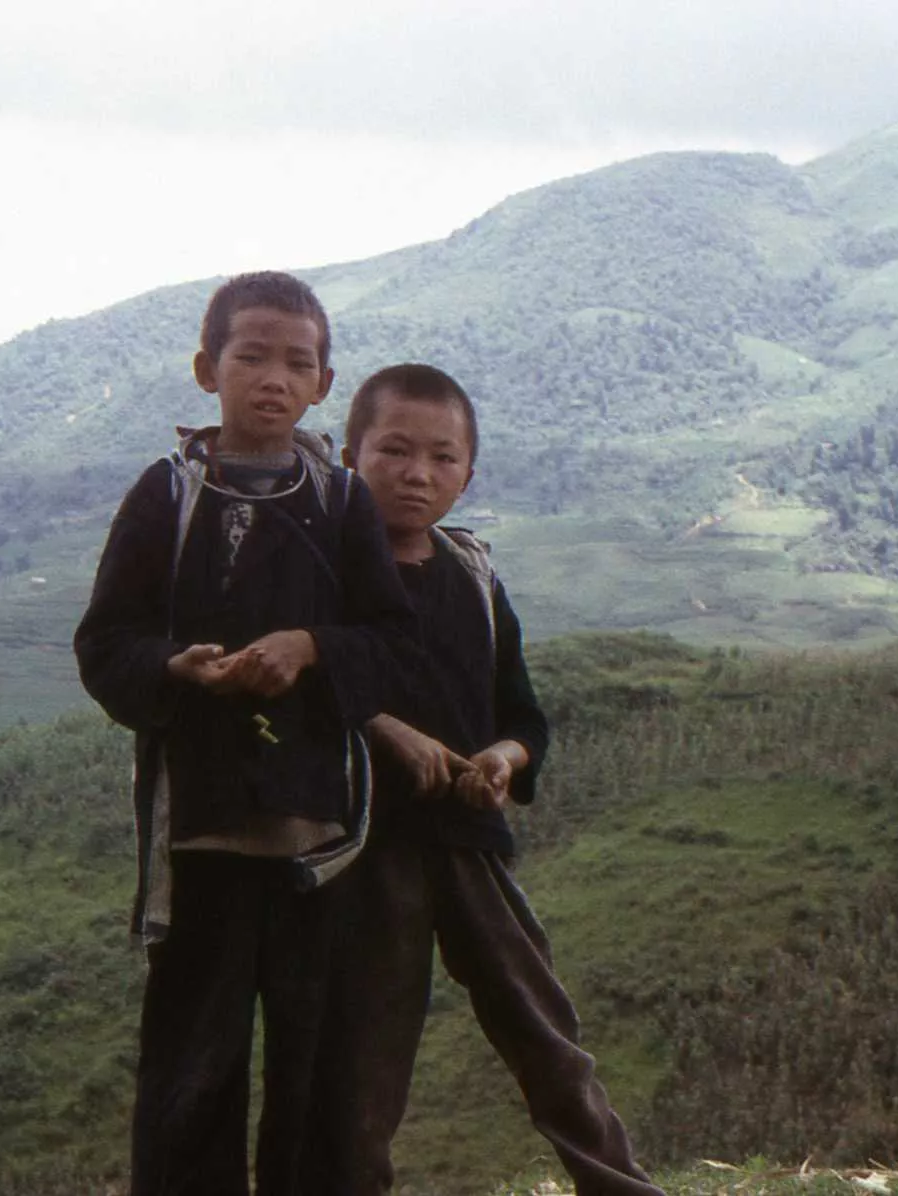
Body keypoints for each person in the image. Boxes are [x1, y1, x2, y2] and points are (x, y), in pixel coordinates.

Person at [74, 272, 414, 1196]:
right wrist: (175, 668)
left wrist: (310, 647)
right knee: (193, 1065)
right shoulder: (165, 498)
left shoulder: (343, 506)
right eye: (250, 355)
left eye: (295, 362)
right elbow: (105, 643)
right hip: (204, 837)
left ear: (324, 383)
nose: (272, 378)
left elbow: (390, 647)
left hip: (320, 845)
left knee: (312, 1067)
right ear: (205, 369)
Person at [302, 363, 663, 1196]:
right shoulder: (323, 575)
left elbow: (523, 714)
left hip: (470, 849)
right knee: (367, 1061)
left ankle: (619, 1185)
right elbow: (302, 690)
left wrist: (503, 759)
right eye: (393, 450)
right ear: (351, 455)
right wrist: (383, 730)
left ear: (470, 472)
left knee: (543, 1029)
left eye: (442, 457)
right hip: (365, 853)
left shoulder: (473, 579)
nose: (417, 474)